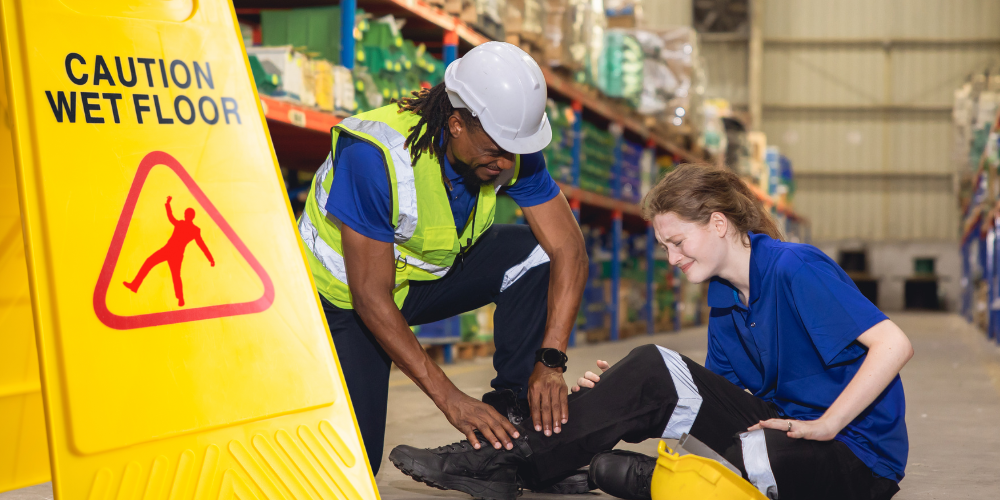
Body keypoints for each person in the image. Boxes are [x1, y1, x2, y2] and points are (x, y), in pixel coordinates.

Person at [389, 164, 912, 500]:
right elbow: (709, 398)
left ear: (718, 223)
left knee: (753, 465)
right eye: (664, 247)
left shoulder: (795, 267)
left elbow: (894, 344)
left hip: (853, 458)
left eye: (678, 242)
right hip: (784, 428)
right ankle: (515, 461)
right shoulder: (725, 297)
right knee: (652, 371)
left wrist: (825, 424)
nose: (672, 259)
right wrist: (620, 397)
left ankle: (578, 470)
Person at [296, 41, 588, 480]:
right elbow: (371, 298)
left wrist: (550, 361)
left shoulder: (508, 151)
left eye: (515, 150)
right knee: (353, 469)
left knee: (532, 254)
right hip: (339, 299)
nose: (507, 162)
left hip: (411, 282)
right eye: (496, 149)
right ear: (456, 124)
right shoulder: (374, 156)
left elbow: (570, 249)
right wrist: (450, 397)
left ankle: (514, 433)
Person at [124, 196, 214, 306]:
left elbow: (171, 218)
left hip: (170, 250)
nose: (185, 215)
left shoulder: (184, 225)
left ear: (189, 216)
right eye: (185, 213)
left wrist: (168, 204)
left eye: (186, 214)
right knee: (170, 273)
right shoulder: (195, 230)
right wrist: (210, 259)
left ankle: (179, 298)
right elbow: (202, 246)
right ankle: (179, 298)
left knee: (163, 269)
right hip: (174, 252)